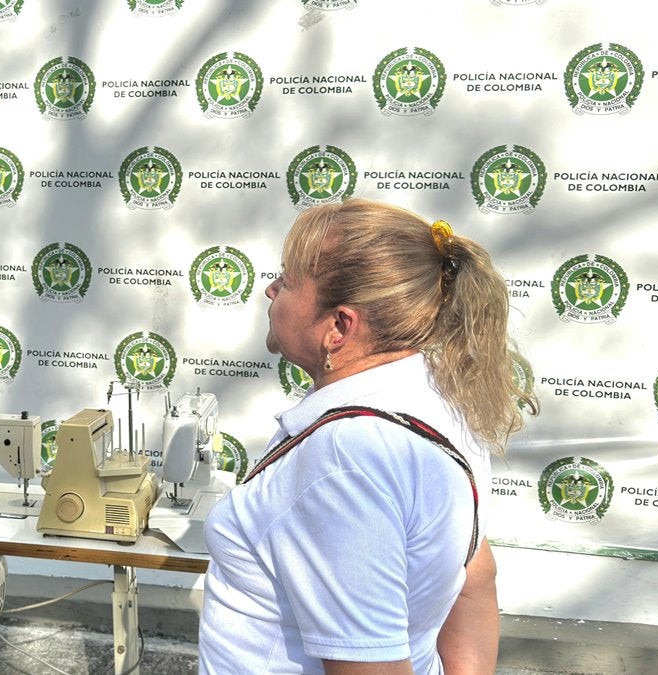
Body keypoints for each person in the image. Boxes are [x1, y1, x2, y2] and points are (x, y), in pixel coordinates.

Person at [198, 199, 538, 674]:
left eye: (289, 280)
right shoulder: (441, 399)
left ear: (338, 327)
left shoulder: (345, 460)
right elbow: (473, 580)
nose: (271, 289)